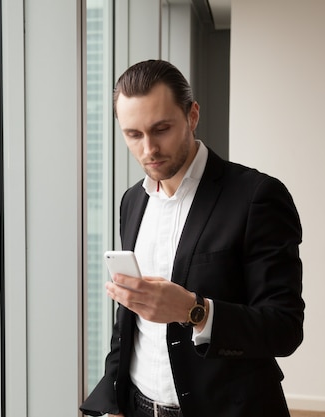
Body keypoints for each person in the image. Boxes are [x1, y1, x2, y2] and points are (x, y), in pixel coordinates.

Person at [80, 60, 304, 417]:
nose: (148, 149)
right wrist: (113, 401)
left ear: (192, 115)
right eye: (133, 135)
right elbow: (129, 317)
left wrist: (194, 310)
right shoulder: (132, 201)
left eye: (161, 129)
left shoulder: (257, 197)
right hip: (137, 406)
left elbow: (285, 328)